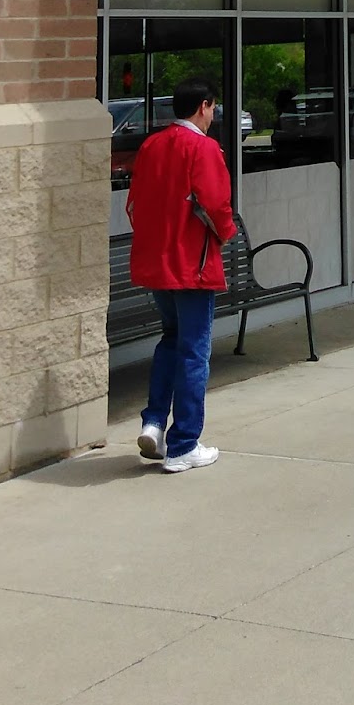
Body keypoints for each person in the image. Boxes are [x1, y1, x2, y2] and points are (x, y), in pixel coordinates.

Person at [126, 77, 237, 472]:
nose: (214, 116)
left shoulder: (151, 145)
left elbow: (134, 204)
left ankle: (154, 423)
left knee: (171, 342)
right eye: (213, 109)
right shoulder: (203, 148)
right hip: (192, 264)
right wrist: (227, 234)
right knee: (194, 350)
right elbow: (215, 203)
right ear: (204, 106)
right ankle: (184, 444)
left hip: (156, 264)